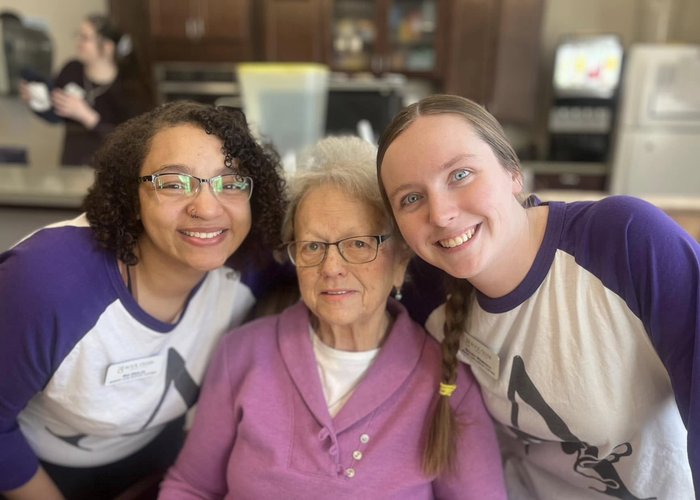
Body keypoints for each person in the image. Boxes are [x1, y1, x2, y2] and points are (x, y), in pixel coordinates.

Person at [376, 94, 700, 499]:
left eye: (460, 175)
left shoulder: (626, 241)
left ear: (513, 173)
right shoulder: (425, 292)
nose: (440, 214)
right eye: (411, 198)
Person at [159, 136, 507, 499]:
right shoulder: (242, 353)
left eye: (358, 244)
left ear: (400, 261)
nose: (331, 268)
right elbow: (191, 487)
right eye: (312, 246)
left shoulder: (448, 381)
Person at [0, 101, 286, 499]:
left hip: (158, 461)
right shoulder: (48, 282)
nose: (207, 207)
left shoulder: (252, 266)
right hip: (33, 472)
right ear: (131, 197)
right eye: (173, 182)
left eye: (230, 182)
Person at [19, 13, 150, 166]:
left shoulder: (129, 86)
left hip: (110, 170)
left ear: (107, 47)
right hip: (71, 163)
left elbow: (132, 141)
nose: (78, 42)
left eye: (85, 38)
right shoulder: (71, 70)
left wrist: (88, 117)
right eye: (78, 36)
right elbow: (55, 114)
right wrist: (37, 101)